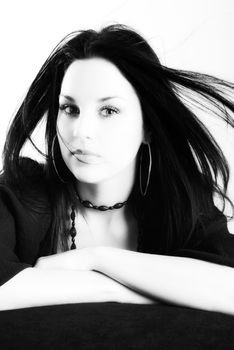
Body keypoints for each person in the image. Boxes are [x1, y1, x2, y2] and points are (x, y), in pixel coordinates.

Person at [0, 23, 234, 314]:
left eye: (108, 110)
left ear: (148, 127)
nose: (81, 131)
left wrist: (94, 260)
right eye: (70, 109)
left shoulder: (181, 198)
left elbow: (229, 289)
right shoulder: (24, 190)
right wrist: (120, 289)